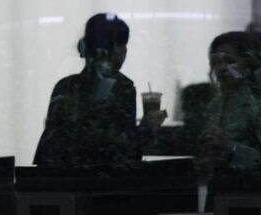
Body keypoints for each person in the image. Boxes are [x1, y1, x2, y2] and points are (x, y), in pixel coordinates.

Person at [33, 13, 165, 171]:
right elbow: (122, 154)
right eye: (123, 44)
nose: (125, 51)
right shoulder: (122, 86)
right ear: (114, 47)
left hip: (55, 180)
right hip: (97, 181)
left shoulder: (64, 86)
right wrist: (147, 129)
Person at [195, 31, 261, 175]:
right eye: (217, 62)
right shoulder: (215, 105)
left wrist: (232, 149)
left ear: (248, 63)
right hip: (217, 185)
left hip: (253, 187)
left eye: (230, 61)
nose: (222, 68)